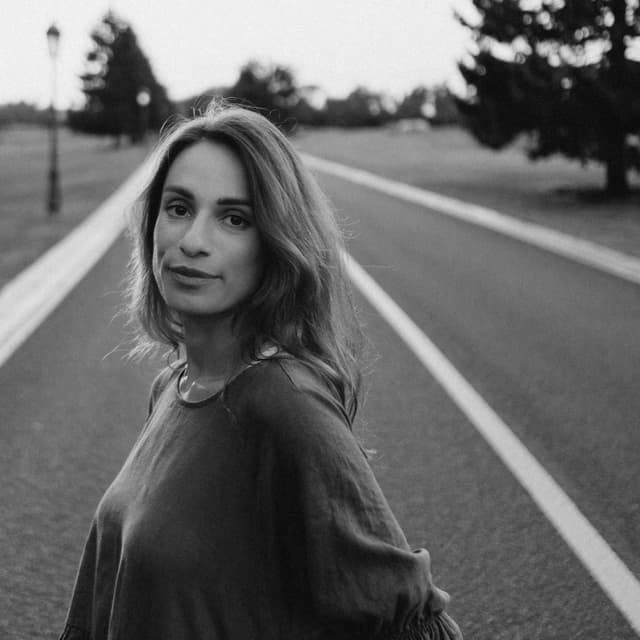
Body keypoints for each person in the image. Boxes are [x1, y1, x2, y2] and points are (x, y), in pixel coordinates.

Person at [59, 101, 462, 640]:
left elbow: (411, 622)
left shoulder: (284, 404)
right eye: (178, 208)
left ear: (275, 244)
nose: (192, 240)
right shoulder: (173, 389)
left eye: (234, 219)